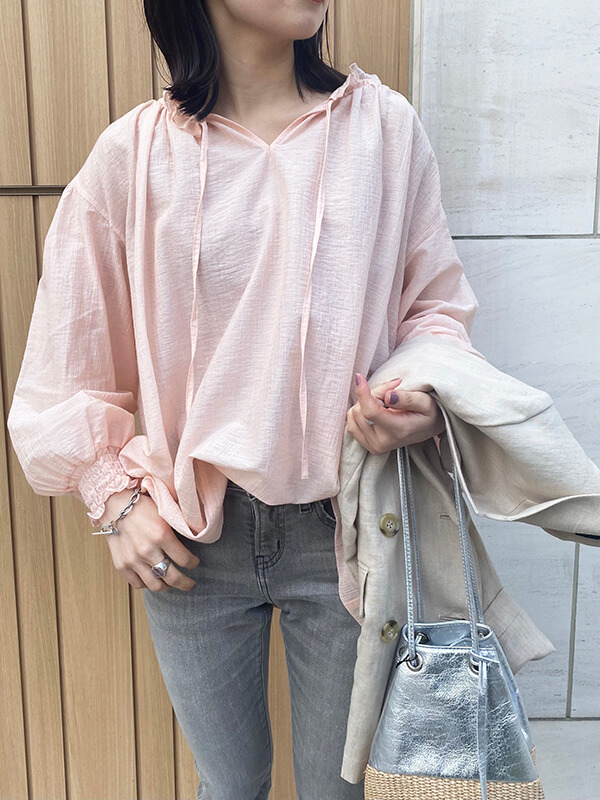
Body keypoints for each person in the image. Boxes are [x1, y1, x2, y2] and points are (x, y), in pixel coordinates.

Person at [7, 1, 482, 798]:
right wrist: (114, 499)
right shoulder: (135, 155)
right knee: (228, 788)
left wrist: (420, 399)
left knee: (338, 790)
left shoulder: (382, 130)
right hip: (193, 537)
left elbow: (434, 309)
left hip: (347, 527)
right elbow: (67, 352)